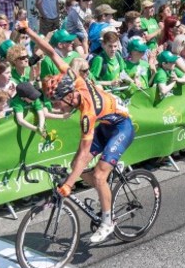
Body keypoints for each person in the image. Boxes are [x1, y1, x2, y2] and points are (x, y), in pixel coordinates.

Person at [21, 22, 135, 243]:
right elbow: (51, 52)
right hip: (106, 126)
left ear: (69, 97)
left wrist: (68, 185)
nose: (57, 107)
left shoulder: (86, 112)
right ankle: (109, 172)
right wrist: (30, 32)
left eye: (58, 103)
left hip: (122, 127)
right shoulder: (72, 78)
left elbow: (84, 153)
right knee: (77, 169)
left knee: (99, 176)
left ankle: (107, 221)